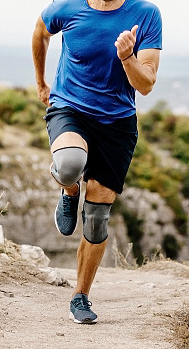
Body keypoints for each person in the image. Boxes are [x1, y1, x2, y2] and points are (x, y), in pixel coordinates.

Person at [31, 0, 162, 324]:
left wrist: (127, 57)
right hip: (69, 109)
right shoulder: (66, 7)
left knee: (97, 217)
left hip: (117, 124)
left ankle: (81, 296)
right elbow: (40, 33)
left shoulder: (145, 14)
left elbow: (145, 84)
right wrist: (41, 82)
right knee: (70, 164)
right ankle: (69, 189)